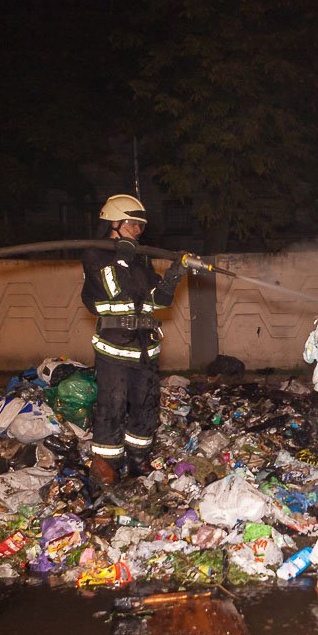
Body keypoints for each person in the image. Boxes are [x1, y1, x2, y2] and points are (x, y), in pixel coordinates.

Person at [81, 194, 197, 485]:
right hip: (114, 347)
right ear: (114, 223)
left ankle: (137, 459)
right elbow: (114, 288)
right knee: (113, 404)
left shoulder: (139, 262)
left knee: (146, 405)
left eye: (140, 227)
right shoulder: (96, 256)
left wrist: (174, 274)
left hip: (145, 348)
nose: (137, 231)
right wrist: (122, 255)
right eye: (132, 224)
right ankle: (105, 465)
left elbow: (159, 300)